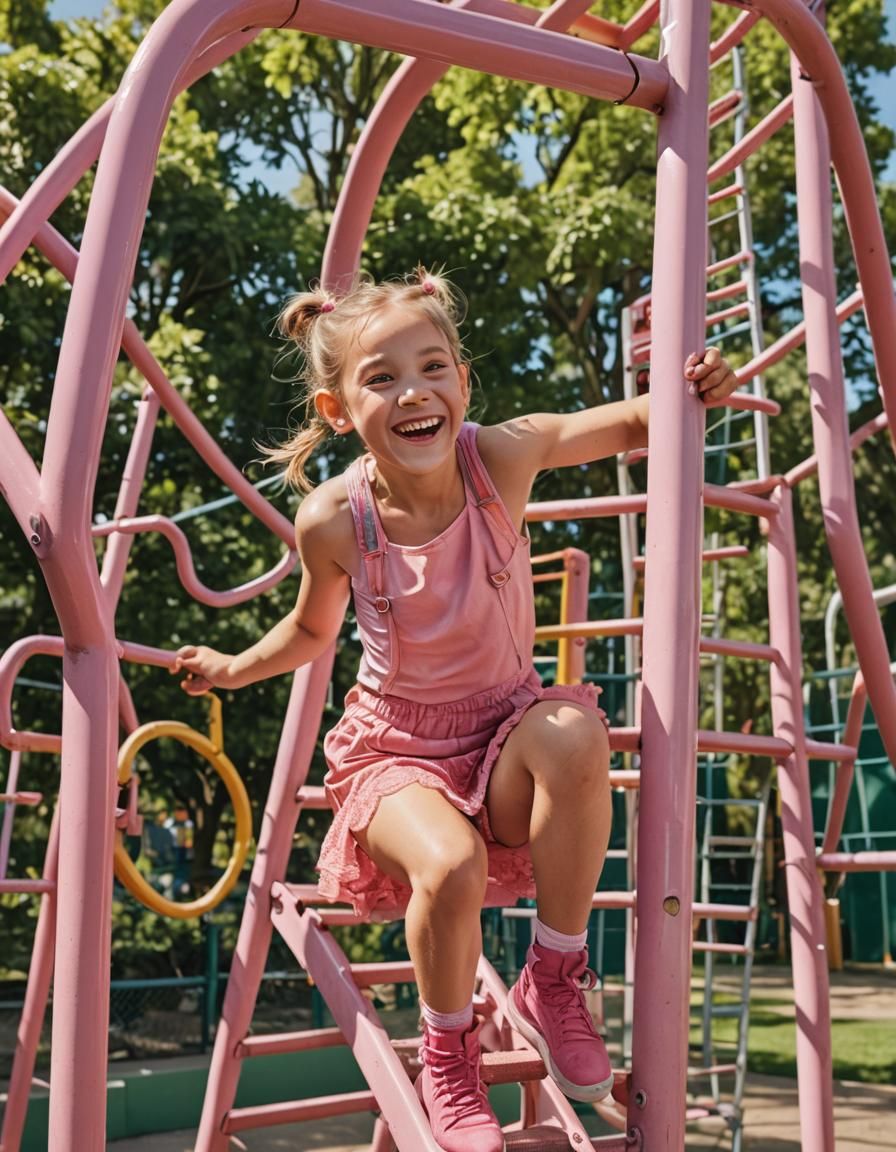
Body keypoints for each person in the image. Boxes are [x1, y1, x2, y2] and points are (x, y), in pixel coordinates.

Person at [172, 269, 739, 1152]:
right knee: (451, 863)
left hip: (503, 733)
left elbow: (631, 425)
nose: (413, 392)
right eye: (381, 377)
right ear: (336, 410)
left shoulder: (499, 457)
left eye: (432, 367)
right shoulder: (333, 520)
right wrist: (232, 667)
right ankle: (447, 1057)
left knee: (575, 728)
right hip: (394, 755)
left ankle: (552, 976)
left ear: (462, 385)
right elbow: (308, 631)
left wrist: (689, 384)